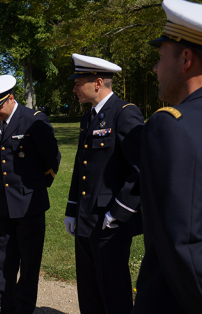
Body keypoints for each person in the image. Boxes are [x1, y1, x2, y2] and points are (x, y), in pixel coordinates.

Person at [133, 0, 202, 313]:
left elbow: (184, 245)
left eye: (161, 58)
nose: (155, 69)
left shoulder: (170, 126)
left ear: (185, 58)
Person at [64, 54, 144, 314]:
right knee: (89, 292)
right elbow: (81, 166)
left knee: (114, 294)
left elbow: (141, 169)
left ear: (97, 83)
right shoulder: (88, 118)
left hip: (110, 222)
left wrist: (119, 212)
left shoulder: (124, 113)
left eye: (79, 82)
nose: (74, 88)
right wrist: (71, 209)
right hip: (86, 217)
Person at [0, 75, 61, 314]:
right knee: (5, 256)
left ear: (11, 98)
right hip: (3, 203)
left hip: (29, 202)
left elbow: (52, 160)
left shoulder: (33, 121)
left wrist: (32, 187)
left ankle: (24, 307)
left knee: (29, 259)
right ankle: (5, 302)